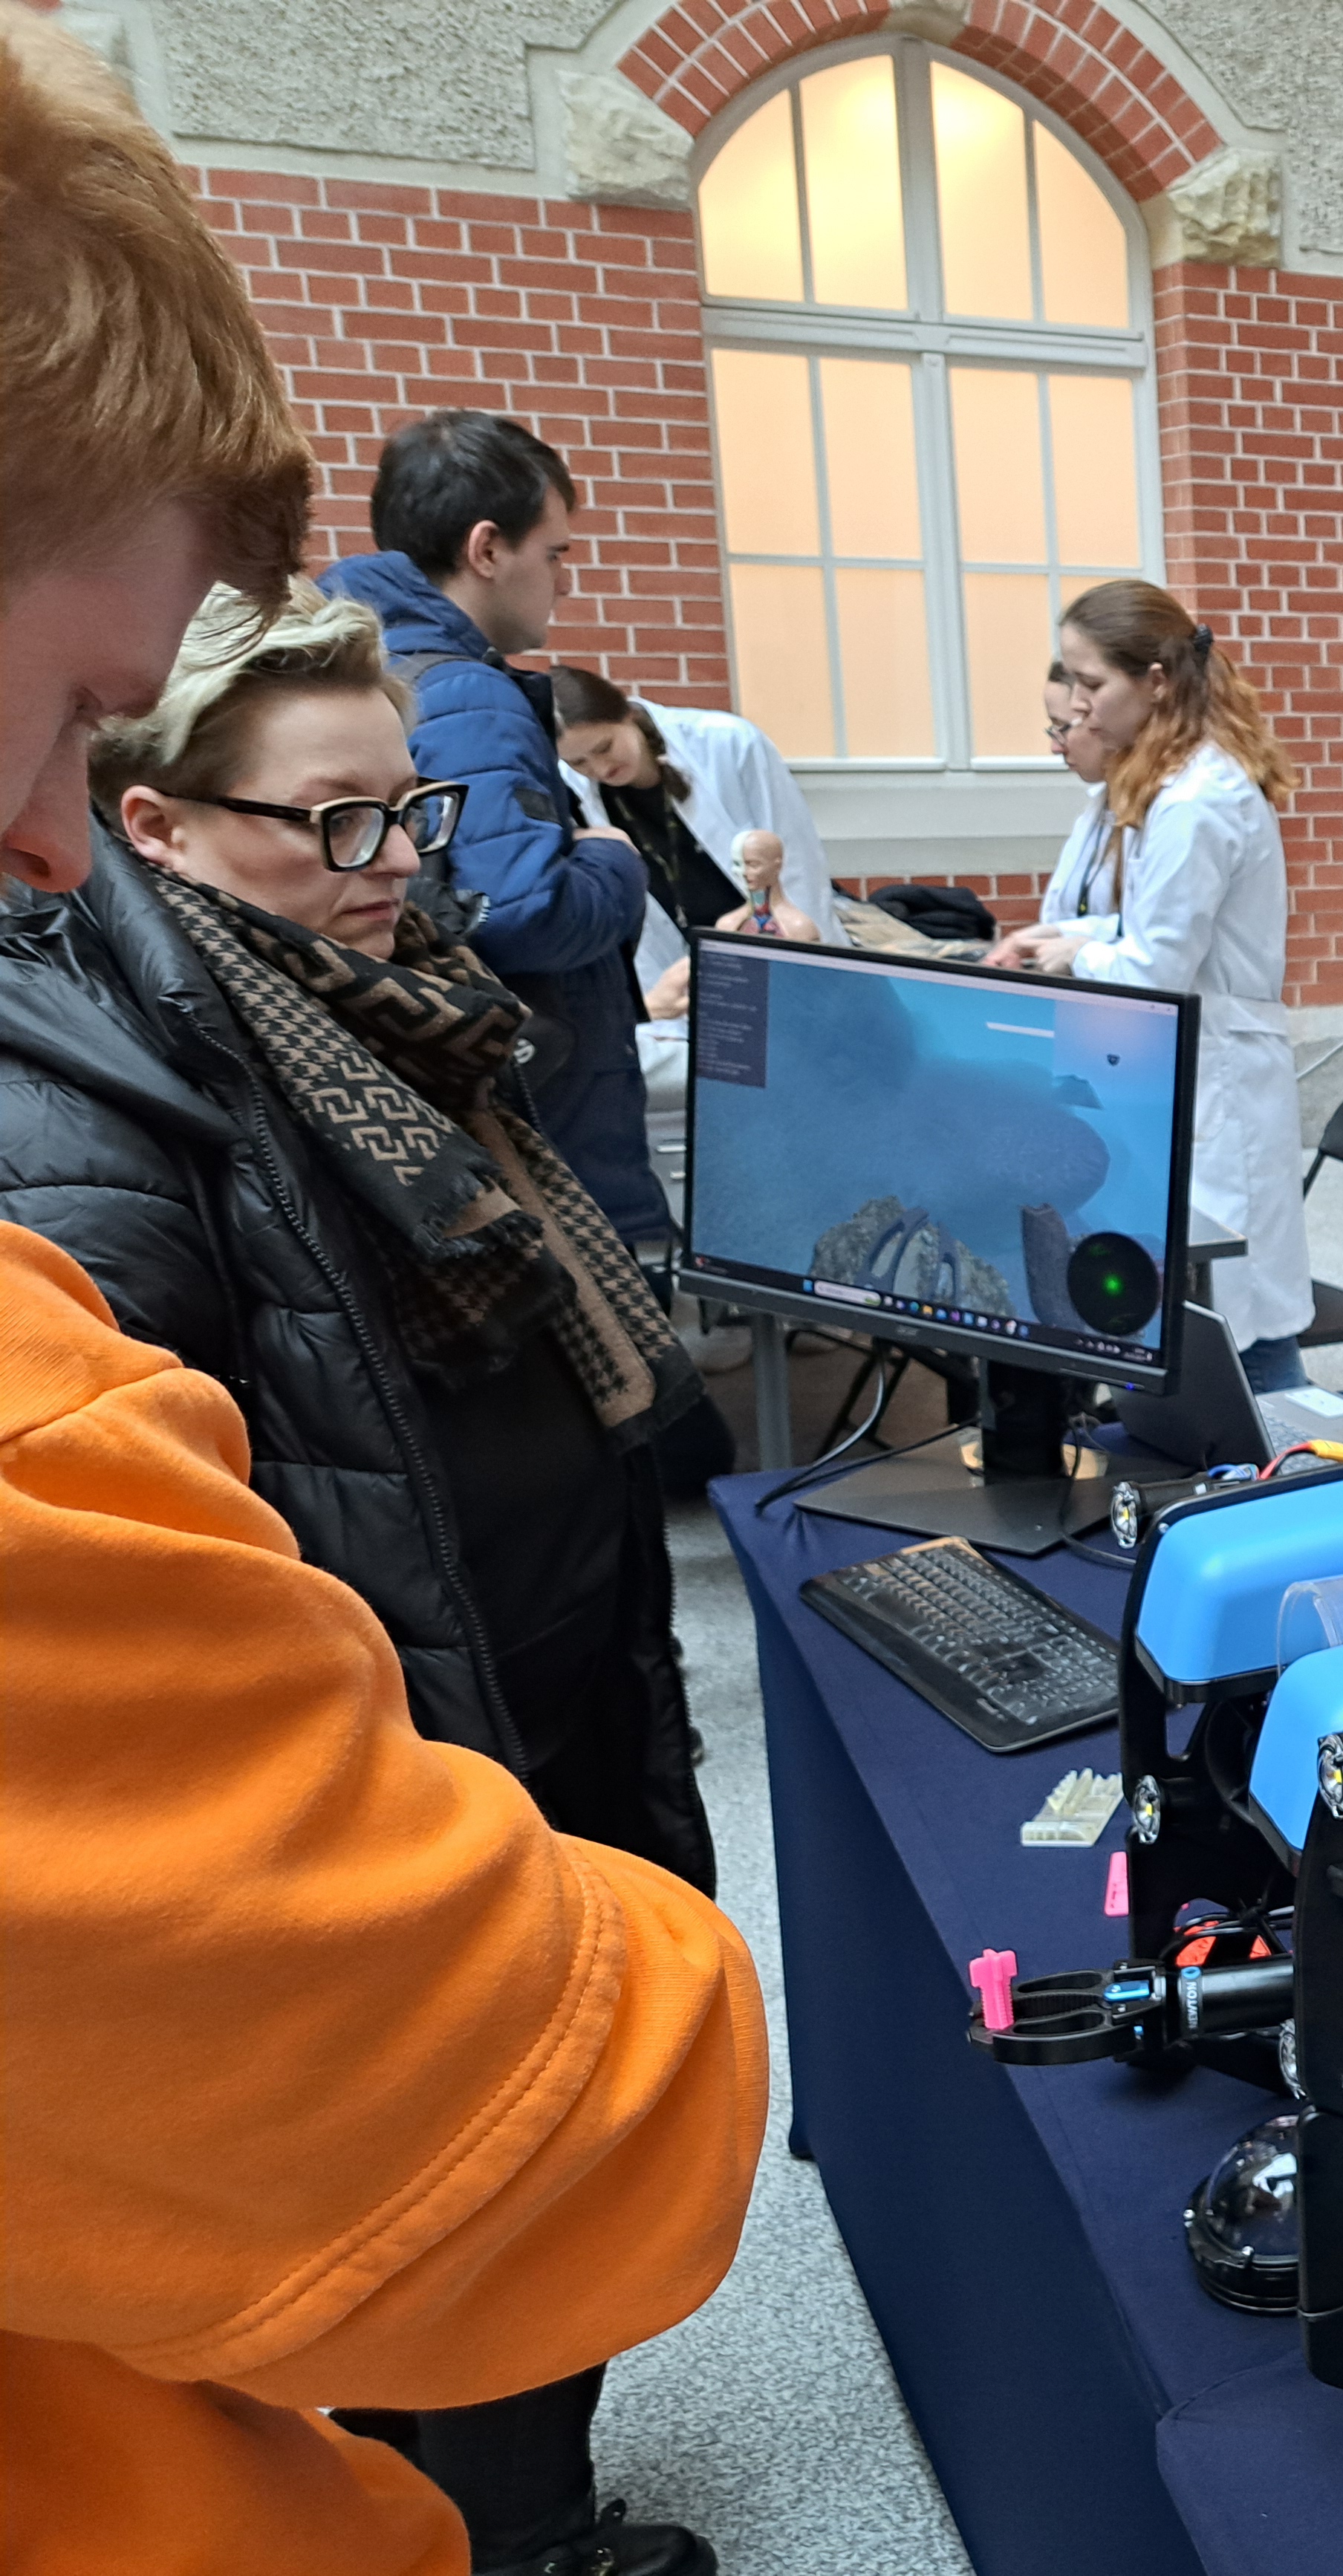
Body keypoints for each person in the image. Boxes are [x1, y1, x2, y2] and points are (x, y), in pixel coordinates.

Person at [0, 20, 766, 2576]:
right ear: (166, 820)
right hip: (437, 1794)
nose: (395, 872)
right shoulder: (114, 1133)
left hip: (524, 1692)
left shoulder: (399, 1023)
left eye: (406, 814)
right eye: (332, 825)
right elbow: (432, 2100)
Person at [320, 413, 666, 1243]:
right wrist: (615, 863)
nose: (563, 583)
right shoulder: (468, 695)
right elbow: (519, 910)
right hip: (548, 1116)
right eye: (555, 554)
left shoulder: (366, 667)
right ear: (486, 549)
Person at [987, 583, 1314, 1390]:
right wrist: (1069, 938)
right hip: (1181, 1069)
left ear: (1157, 681)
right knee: (1175, 1301)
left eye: (1092, 684)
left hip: (1219, 1080)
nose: (1080, 708)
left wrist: (1072, 955)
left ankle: (1284, 1453)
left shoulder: (1199, 801)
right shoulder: (1169, 786)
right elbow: (1152, 929)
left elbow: (1159, 967)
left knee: (1235, 1316)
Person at [553, 665, 847, 947]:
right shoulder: (571, 789)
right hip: (685, 956)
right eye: (578, 762)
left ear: (627, 714)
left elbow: (796, 860)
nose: (600, 768)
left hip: (768, 938)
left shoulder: (729, 742)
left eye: (604, 748)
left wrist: (805, 952)